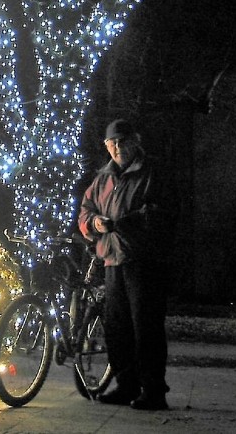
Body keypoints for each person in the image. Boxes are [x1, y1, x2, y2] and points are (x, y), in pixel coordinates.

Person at [77, 118, 178, 410]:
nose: (117, 147)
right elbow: (86, 210)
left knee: (145, 327)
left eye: (122, 141)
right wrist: (95, 223)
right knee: (117, 327)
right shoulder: (103, 178)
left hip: (143, 261)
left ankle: (154, 390)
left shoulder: (154, 173)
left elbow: (164, 212)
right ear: (107, 147)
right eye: (112, 143)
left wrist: (126, 223)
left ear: (135, 141)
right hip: (112, 259)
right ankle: (126, 384)